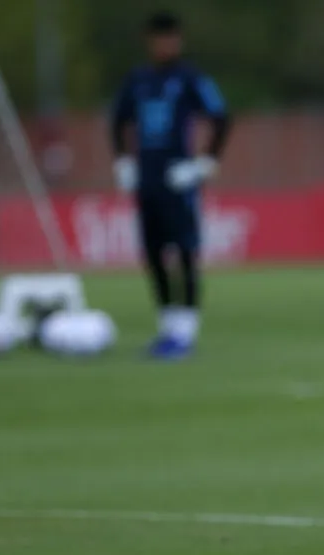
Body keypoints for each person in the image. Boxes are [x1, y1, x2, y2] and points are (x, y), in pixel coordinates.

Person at [110, 11, 230, 360]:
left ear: (178, 41)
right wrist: (123, 161)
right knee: (153, 253)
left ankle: (186, 331)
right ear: (151, 42)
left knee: (185, 251)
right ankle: (167, 327)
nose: (165, 45)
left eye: (170, 38)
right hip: (147, 179)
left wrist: (204, 163)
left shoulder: (191, 79)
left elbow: (221, 117)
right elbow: (118, 121)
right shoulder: (137, 80)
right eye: (159, 39)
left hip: (178, 180)